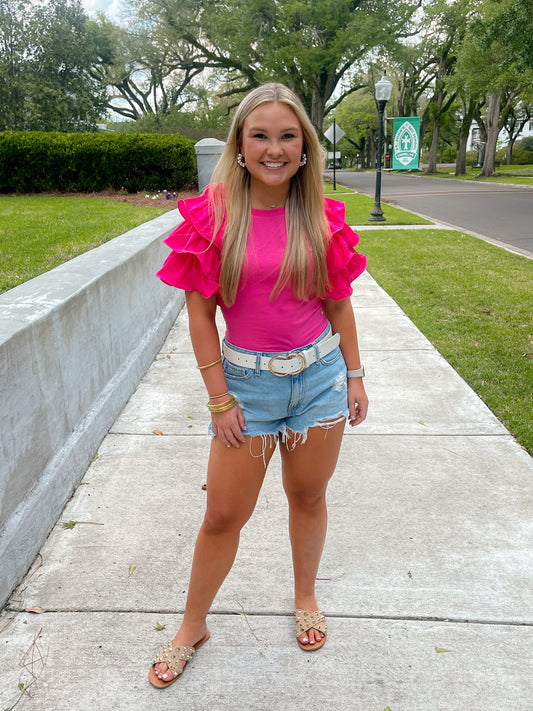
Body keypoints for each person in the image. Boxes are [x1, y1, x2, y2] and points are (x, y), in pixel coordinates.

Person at [149, 83, 368, 688]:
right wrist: (219, 397)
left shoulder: (320, 212)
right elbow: (201, 316)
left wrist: (353, 375)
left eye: (288, 135)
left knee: (309, 496)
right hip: (248, 386)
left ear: (305, 145)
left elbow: (339, 303)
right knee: (222, 514)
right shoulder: (213, 215)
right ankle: (192, 626)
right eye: (261, 135)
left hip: (320, 380)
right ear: (241, 145)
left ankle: (305, 598)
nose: (275, 148)